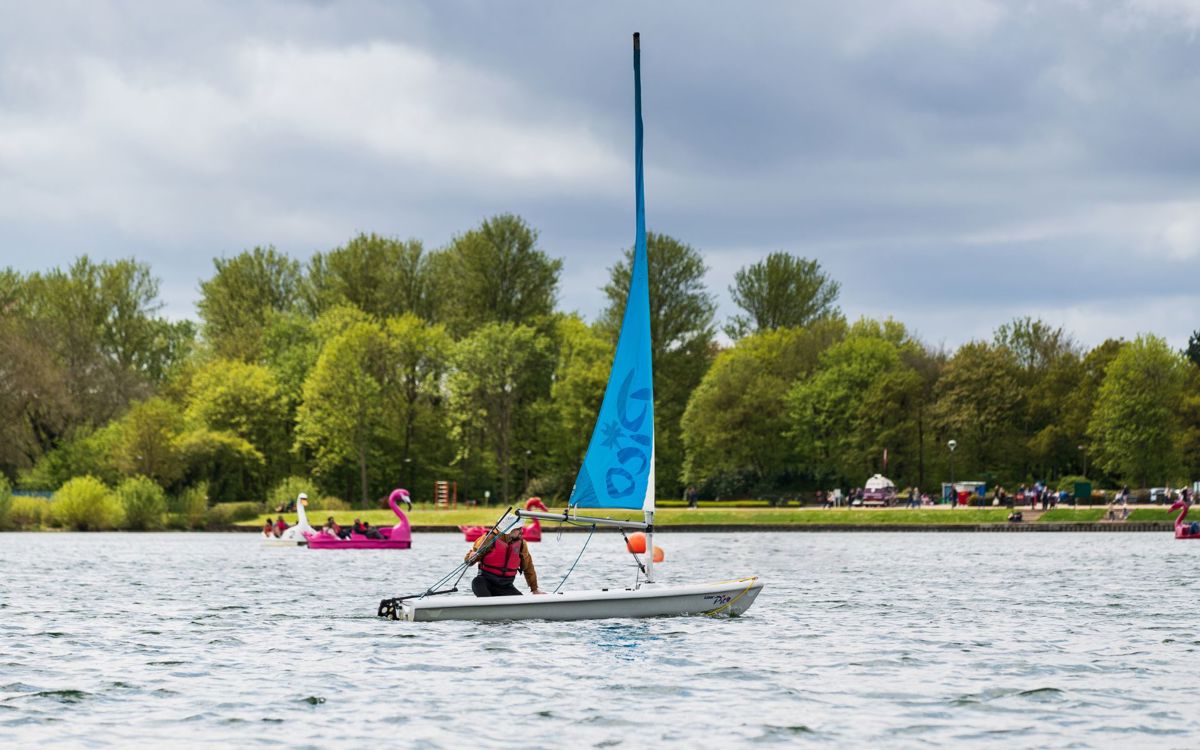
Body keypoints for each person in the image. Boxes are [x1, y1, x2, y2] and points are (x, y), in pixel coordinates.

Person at [465, 516, 543, 597]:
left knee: (520, 603)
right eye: (518, 529)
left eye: (521, 528)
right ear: (509, 530)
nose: (521, 531)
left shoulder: (522, 544)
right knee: (478, 582)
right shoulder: (489, 538)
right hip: (484, 582)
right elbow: (468, 561)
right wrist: (470, 558)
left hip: (506, 586)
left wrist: (534, 589)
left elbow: (528, 567)